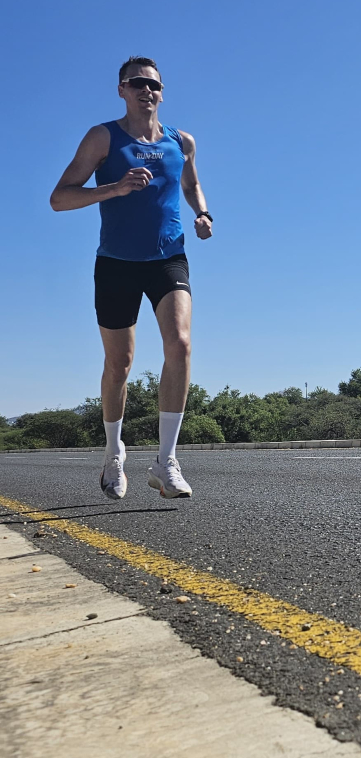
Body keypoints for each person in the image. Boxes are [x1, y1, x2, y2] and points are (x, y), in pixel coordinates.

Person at [50, 57, 213, 499]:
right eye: (137, 83)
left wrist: (202, 213)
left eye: (153, 84)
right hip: (116, 263)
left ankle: (166, 461)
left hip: (168, 258)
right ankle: (113, 453)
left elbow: (191, 185)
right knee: (119, 364)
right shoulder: (103, 137)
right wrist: (115, 188)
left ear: (162, 92)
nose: (146, 90)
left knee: (180, 344)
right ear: (121, 89)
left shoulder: (182, 141)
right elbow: (59, 198)